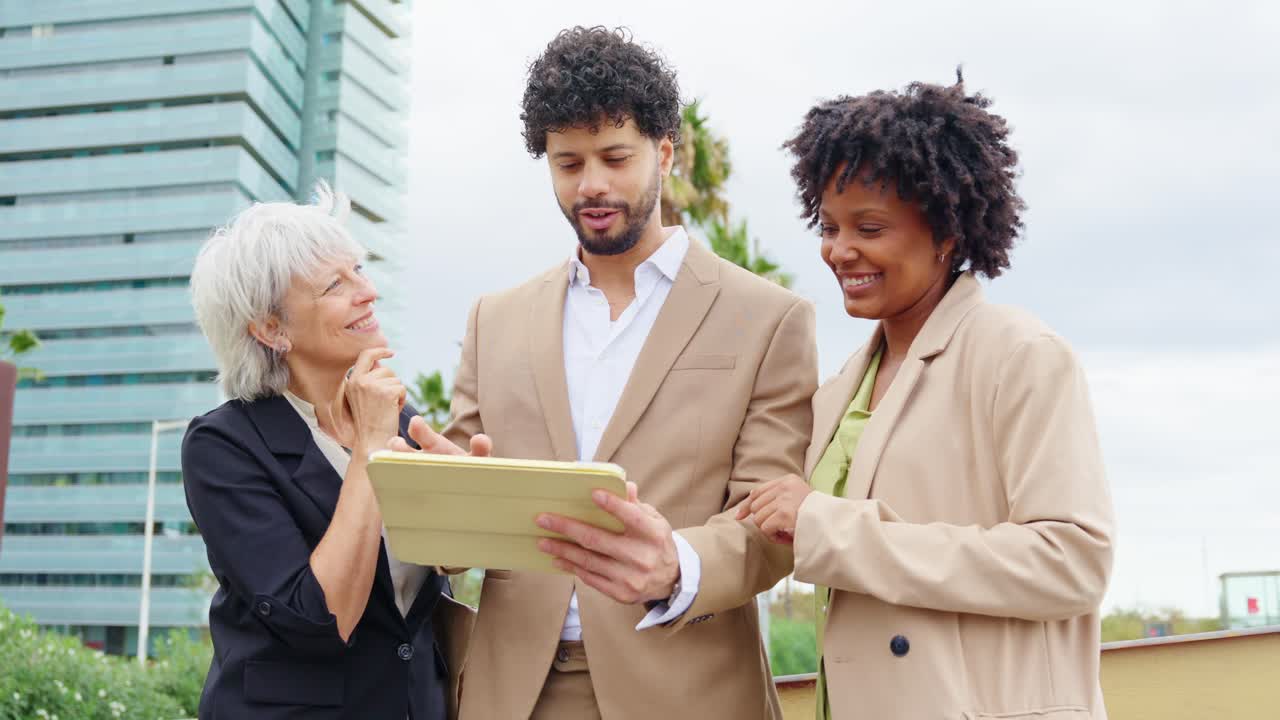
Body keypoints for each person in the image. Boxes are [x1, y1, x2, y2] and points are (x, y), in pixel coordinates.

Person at [400, 26, 816, 720]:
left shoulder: (768, 317)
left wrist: (679, 563)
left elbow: (770, 524)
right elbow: (456, 521)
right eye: (568, 164)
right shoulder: (493, 320)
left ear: (664, 153)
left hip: (689, 686)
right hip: (514, 690)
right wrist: (438, 499)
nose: (591, 184)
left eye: (614, 157)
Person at [739, 73, 1116, 719]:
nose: (839, 250)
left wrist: (831, 528)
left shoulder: (1019, 355)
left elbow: (1072, 564)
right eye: (829, 226)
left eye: (870, 227)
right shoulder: (839, 388)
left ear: (945, 233)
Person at [182, 185, 486, 719]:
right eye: (334, 285)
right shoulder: (224, 446)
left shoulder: (401, 419)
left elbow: (432, 572)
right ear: (271, 328)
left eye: (360, 271)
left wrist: (470, 507)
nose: (367, 292)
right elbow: (318, 618)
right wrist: (368, 449)